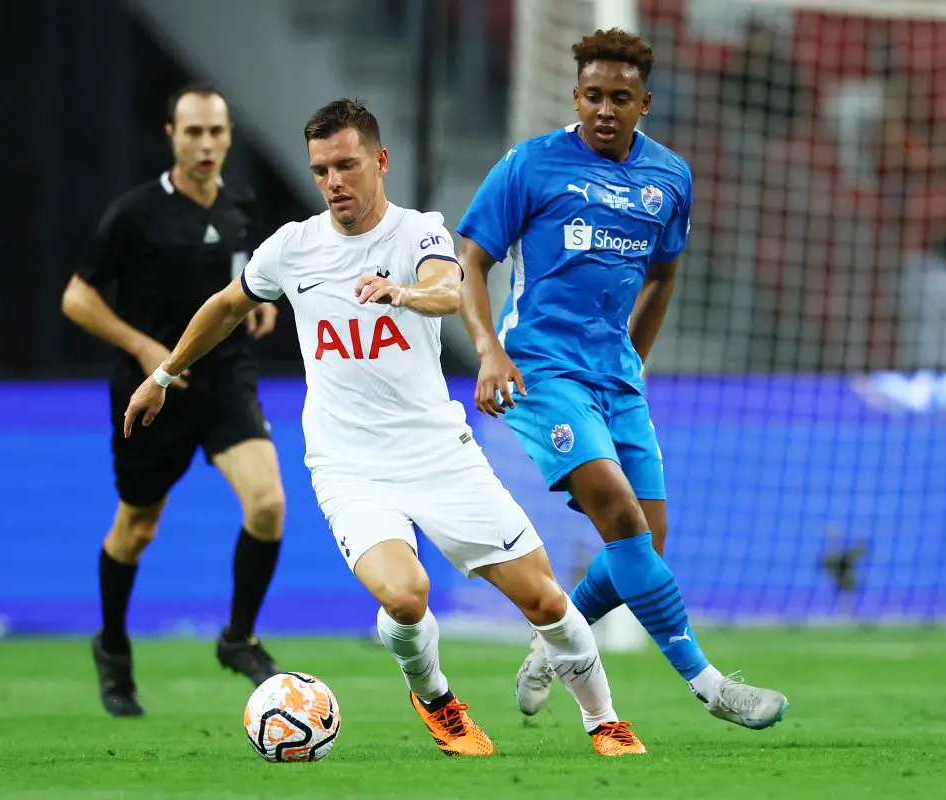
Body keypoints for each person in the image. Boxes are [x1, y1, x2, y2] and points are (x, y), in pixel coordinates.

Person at [123, 98, 646, 756]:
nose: (334, 182)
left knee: (543, 599)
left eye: (346, 165)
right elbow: (229, 306)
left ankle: (604, 720)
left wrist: (399, 293)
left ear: (380, 161)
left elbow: (448, 289)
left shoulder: (416, 233)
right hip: (350, 467)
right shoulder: (294, 248)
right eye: (321, 171)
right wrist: (164, 375)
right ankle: (436, 700)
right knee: (406, 595)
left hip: (438, 454)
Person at [456, 29, 789, 730]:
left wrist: (632, 357)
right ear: (576, 96)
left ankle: (558, 635)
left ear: (645, 103)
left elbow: (664, 272)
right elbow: (471, 257)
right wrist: (488, 349)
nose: (604, 109)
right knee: (620, 512)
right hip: (542, 368)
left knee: (645, 542)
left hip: (616, 376)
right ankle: (709, 684)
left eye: (619, 98)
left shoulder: (670, 177)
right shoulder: (531, 165)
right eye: (592, 96)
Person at [61, 83, 288, 718]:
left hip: (225, 383)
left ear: (230, 135)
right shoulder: (136, 214)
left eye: (217, 131)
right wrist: (142, 349)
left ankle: (238, 639)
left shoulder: (242, 208)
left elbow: (242, 287)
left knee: (268, 504)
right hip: (153, 395)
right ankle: (112, 648)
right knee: (136, 530)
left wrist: (261, 304)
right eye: (194, 132)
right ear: (171, 136)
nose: (207, 143)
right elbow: (76, 297)